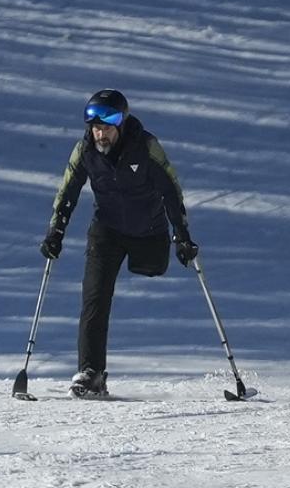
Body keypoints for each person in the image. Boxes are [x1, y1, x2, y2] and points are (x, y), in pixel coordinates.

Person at [40, 89, 198, 397]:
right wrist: (55, 232)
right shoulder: (85, 150)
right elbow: (68, 191)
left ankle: (92, 372)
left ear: (121, 124)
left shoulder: (145, 147)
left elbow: (171, 190)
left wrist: (182, 235)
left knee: (152, 268)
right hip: (107, 230)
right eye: (96, 127)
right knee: (94, 298)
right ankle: (91, 373)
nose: (101, 133)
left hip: (148, 230)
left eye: (107, 126)